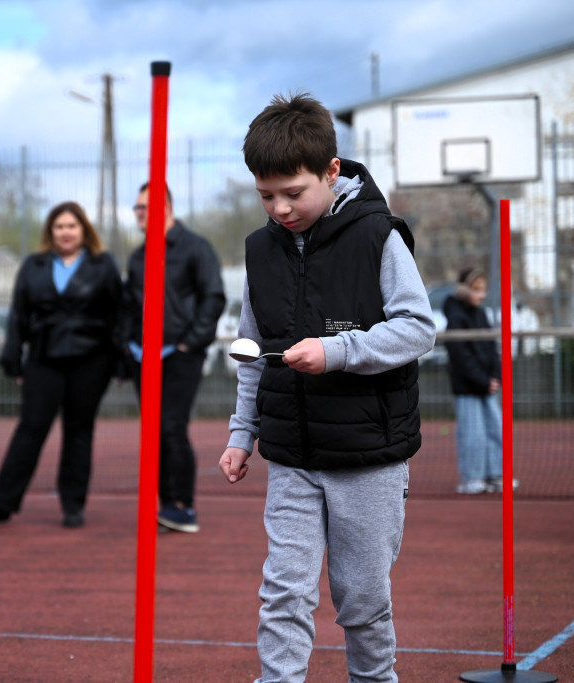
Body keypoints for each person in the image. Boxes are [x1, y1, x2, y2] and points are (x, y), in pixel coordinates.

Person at [218, 93, 435, 683]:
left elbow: (419, 329)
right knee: (283, 592)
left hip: (368, 458)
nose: (280, 208)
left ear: (332, 172)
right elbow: (252, 352)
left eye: (294, 192)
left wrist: (338, 352)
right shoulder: (260, 252)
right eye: (266, 196)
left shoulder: (379, 237)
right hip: (291, 457)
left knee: (361, 599)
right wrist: (243, 433)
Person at [0, 202, 122, 530]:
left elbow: (118, 315)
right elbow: (18, 315)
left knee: (78, 431)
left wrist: (122, 362)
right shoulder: (33, 266)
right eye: (59, 227)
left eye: (72, 226)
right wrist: (13, 360)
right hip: (44, 359)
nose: (65, 232)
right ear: (50, 232)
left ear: (83, 230)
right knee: (30, 429)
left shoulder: (103, 265)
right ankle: (1, 503)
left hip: (91, 361)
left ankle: (73, 506)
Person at [121, 183, 225, 533]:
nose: (137, 214)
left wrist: (189, 344)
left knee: (172, 428)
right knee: (153, 432)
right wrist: (128, 348)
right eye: (136, 208)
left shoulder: (195, 248)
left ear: (165, 206)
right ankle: (166, 507)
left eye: (143, 207)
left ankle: (183, 506)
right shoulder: (138, 257)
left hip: (179, 355)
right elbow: (130, 308)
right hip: (143, 356)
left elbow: (213, 298)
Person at [443, 268, 510, 495]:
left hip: (487, 386)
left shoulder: (481, 314)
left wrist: (495, 377)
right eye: (476, 290)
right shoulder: (456, 316)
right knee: (473, 434)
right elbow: (461, 356)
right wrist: (482, 381)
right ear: (464, 290)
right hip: (468, 389)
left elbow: (493, 348)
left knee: (495, 429)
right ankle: (473, 478)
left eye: (483, 290)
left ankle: (496, 475)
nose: (482, 295)